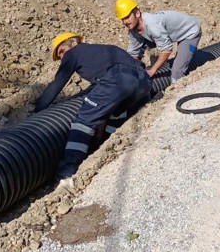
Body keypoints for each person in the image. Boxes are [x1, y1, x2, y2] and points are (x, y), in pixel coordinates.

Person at [35, 32, 151, 182]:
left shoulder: (74, 53)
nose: (62, 57)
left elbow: (57, 83)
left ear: (73, 43)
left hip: (118, 80)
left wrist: (38, 108)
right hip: (144, 84)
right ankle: (104, 150)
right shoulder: (106, 49)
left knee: (83, 120)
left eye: (62, 51)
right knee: (116, 113)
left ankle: (68, 170)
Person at [114, 0, 202, 84]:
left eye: (127, 17)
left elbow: (167, 50)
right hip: (167, 33)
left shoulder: (153, 25)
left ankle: (176, 88)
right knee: (142, 48)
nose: (125, 22)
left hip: (190, 32)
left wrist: (152, 70)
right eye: (122, 19)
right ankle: (157, 64)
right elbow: (134, 53)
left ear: (137, 13)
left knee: (177, 70)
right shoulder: (133, 29)